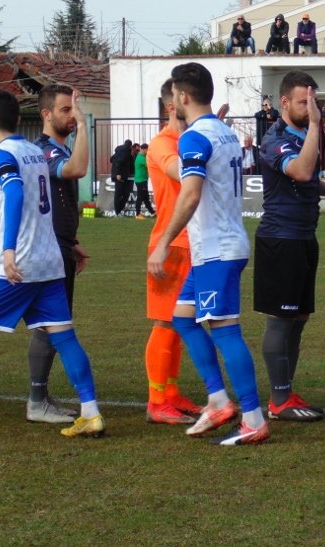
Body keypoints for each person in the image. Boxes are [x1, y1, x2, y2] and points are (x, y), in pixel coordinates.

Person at [147, 62, 268, 446]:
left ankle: (252, 418)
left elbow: (192, 191)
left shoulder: (196, 137)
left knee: (225, 331)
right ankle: (218, 399)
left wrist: (165, 241)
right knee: (183, 318)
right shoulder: (226, 132)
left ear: (181, 96)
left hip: (216, 249)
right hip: (214, 249)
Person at [0, 90, 105, 437]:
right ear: (19, 120)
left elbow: (16, 192)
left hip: (19, 265)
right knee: (65, 337)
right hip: (50, 261)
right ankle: (91, 412)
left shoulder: (1, 154)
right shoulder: (35, 152)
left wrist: (7, 251)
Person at [254, 71, 325, 424]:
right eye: (302, 102)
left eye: (312, 102)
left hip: (305, 236)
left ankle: (286, 389)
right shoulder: (275, 138)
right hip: (281, 239)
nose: (310, 109)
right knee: (281, 318)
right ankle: (279, 399)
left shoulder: (298, 134)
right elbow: (301, 171)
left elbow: (307, 179)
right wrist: (314, 128)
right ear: (284, 103)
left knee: (299, 317)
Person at [26, 83, 90, 425]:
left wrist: (71, 239)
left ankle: (39, 397)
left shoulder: (55, 150)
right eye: (65, 110)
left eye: (73, 109)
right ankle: (37, 399)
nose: (71, 115)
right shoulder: (45, 152)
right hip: (47, 253)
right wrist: (82, 126)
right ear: (46, 114)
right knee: (51, 325)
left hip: (58, 246)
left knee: (48, 324)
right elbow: (78, 169)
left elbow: (53, 204)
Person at [143, 78, 205, 425]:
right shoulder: (162, 143)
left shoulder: (192, 139)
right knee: (165, 323)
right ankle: (155, 400)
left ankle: (170, 392)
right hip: (169, 244)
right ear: (173, 106)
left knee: (183, 322)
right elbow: (177, 171)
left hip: (190, 243)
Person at [110, 139, 133, 216]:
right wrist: (118, 173)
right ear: (130, 146)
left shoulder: (119, 152)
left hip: (120, 176)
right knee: (123, 194)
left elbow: (111, 159)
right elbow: (119, 162)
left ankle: (118, 211)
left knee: (119, 194)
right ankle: (118, 211)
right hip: (120, 176)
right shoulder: (125, 152)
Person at [133, 143, 155, 219]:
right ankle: (137, 214)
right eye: (147, 150)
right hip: (141, 180)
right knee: (140, 197)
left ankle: (152, 212)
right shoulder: (141, 158)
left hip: (142, 179)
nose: (148, 152)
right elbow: (150, 164)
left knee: (145, 197)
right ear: (143, 149)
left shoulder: (141, 157)